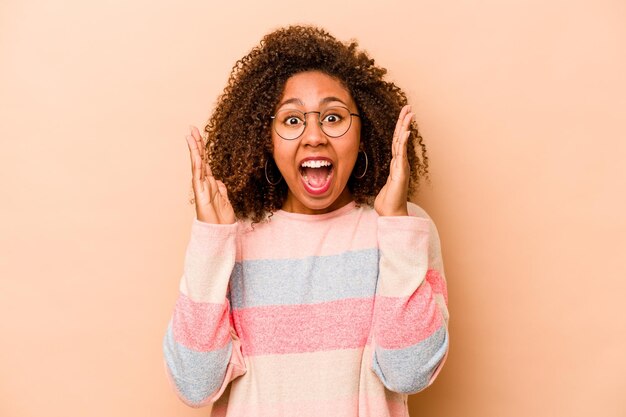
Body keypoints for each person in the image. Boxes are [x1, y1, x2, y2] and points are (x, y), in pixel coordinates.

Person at [163, 25, 449, 417]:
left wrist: (396, 227)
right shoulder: (232, 236)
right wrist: (212, 242)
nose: (314, 136)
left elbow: (408, 373)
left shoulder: (403, 228)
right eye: (293, 120)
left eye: (333, 117)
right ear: (266, 137)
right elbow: (196, 385)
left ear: (363, 134)